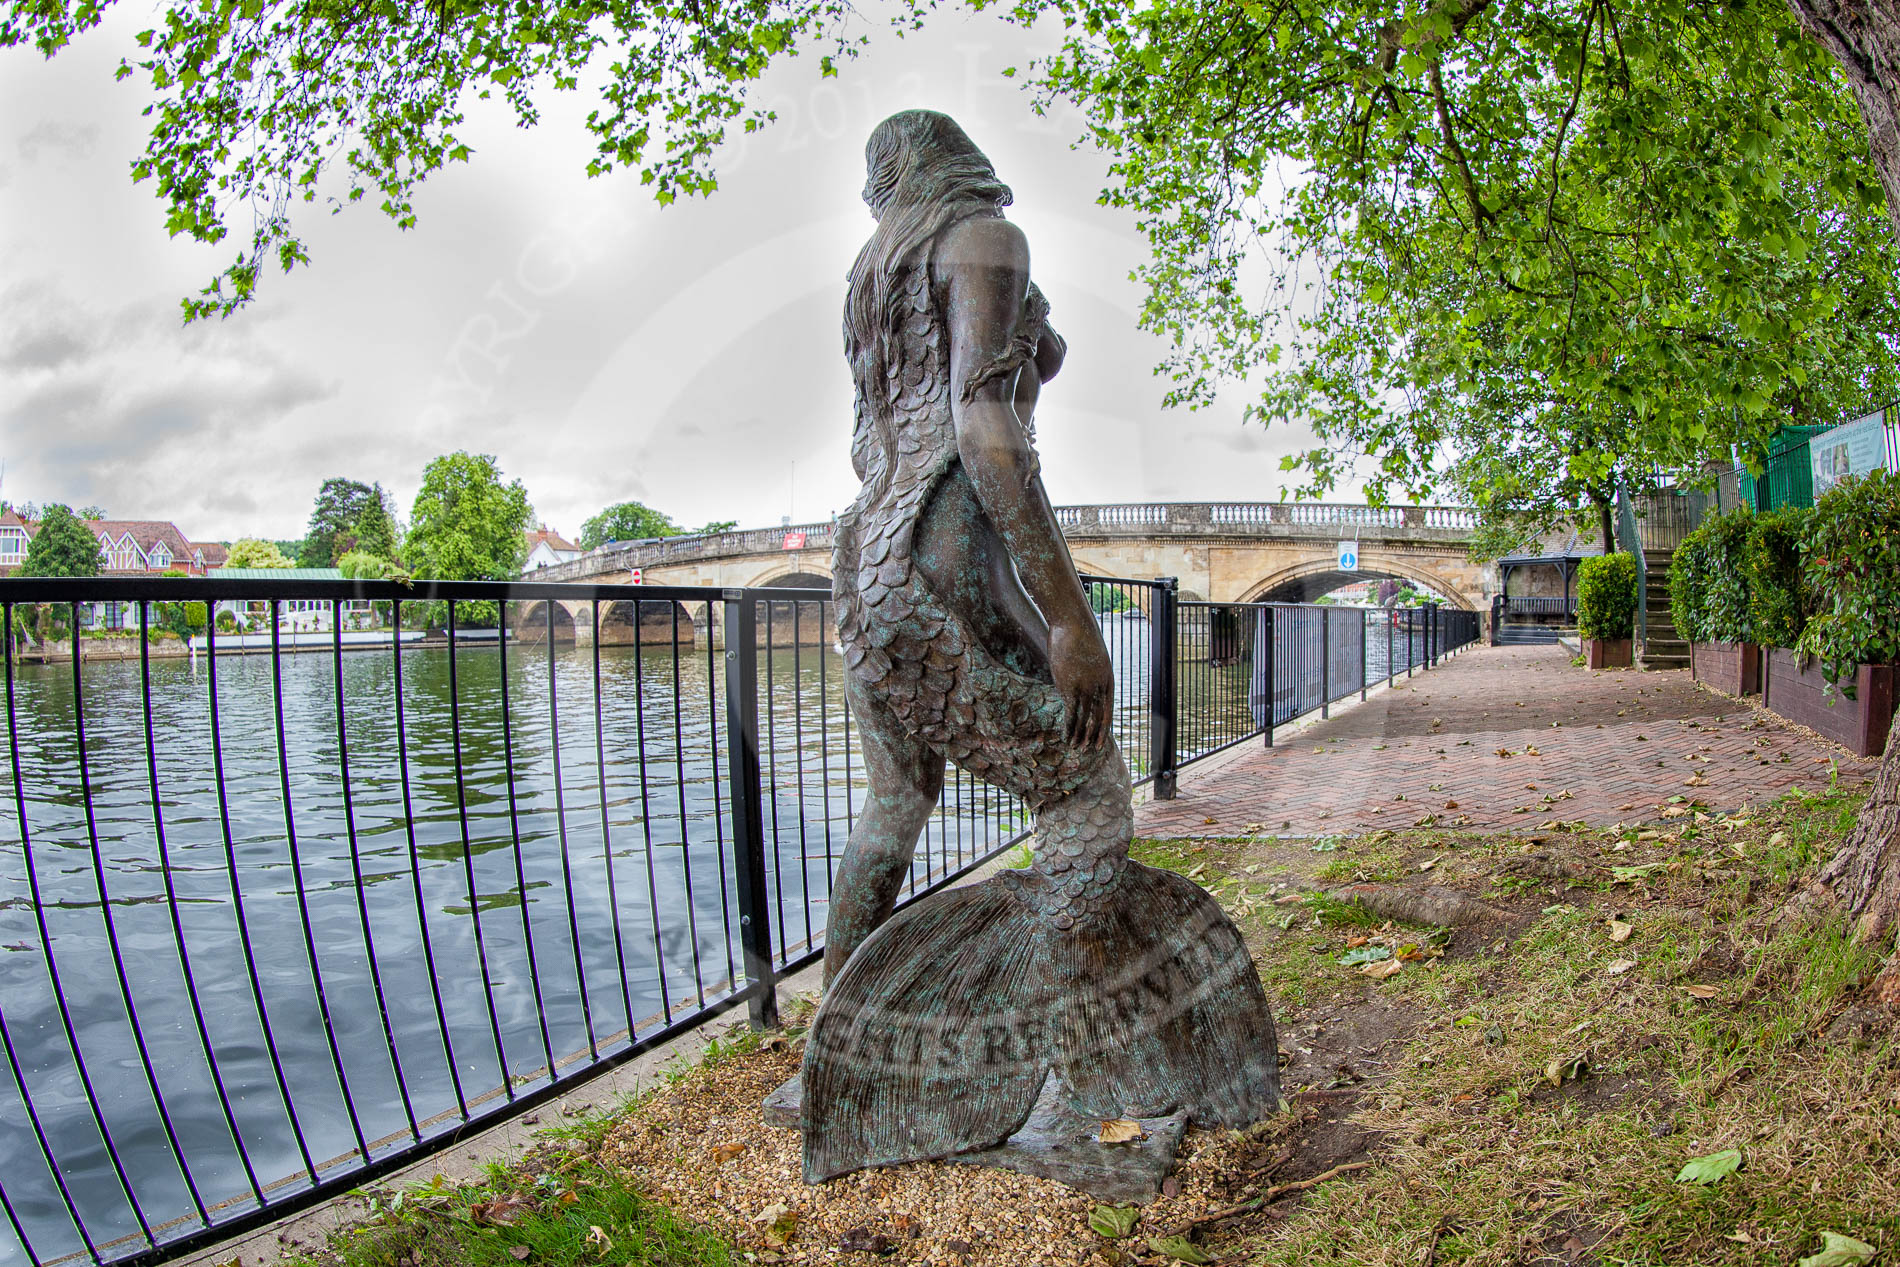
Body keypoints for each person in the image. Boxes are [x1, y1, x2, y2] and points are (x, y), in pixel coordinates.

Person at [798, 110, 1281, 1185]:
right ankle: (1077, 1058)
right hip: (942, 558)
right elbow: (984, 428)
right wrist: (1067, 616)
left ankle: (836, 1057)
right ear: (956, 159)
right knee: (1088, 793)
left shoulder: (876, 274)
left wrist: (1032, 332)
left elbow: (958, 399)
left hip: (868, 562)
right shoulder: (981, 235)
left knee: (894, 805)